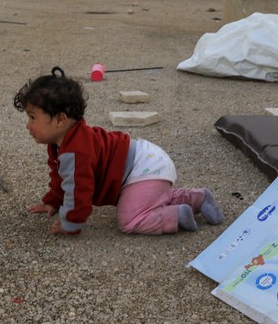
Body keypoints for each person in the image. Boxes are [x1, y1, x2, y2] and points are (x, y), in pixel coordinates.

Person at [14, 66, 224, 236]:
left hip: (144, 169)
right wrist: (53, 201)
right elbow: (62, 178)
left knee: (130, 220)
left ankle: (177, 216)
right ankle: (197, 198)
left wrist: (70, 223)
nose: (28, 126)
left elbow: (79, 191)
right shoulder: (61, 143)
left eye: (33, 118)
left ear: (60, 120)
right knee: (145, 199)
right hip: (147, 162)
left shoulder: (76, 151)